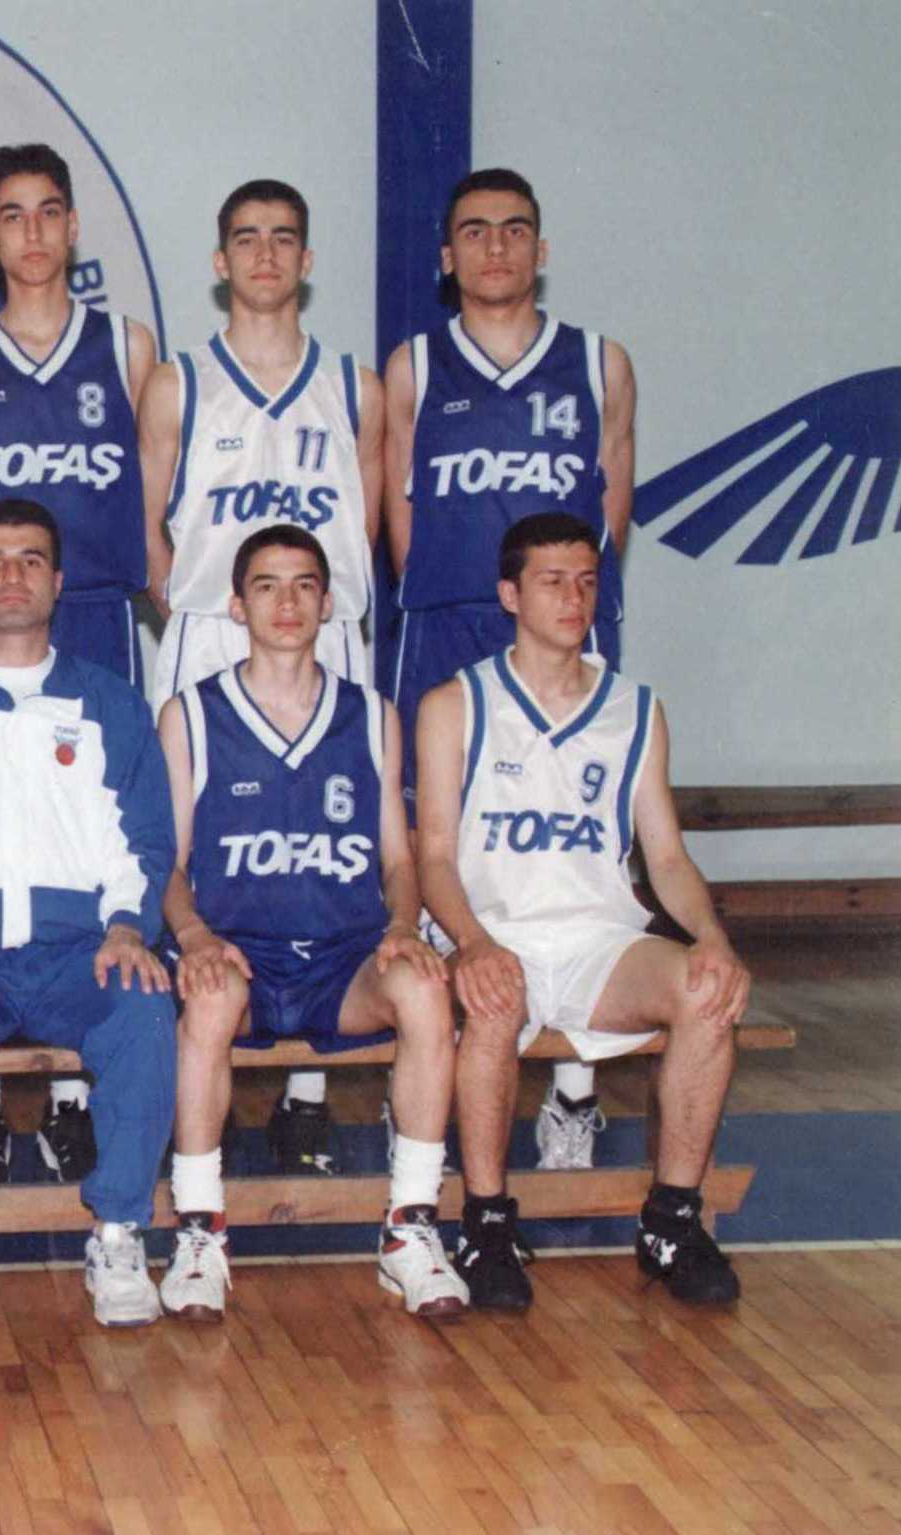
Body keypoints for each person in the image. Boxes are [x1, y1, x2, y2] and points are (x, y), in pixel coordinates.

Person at [416, 513, 748, 1311]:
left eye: (586, 582)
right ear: (509, 594)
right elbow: (432, 856)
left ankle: (671, 1220)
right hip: (494, 930)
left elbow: (664, 859)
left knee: (708, 991)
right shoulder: (454, 704)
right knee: (492, 1003)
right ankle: (486, 1223)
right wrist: (472, 942)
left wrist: (711, 937)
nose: (573, 598)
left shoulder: (634, 709)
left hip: (598, 940)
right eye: (552, 581)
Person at [385, 169, 639, 1164]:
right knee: (437, 838)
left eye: (513, 229)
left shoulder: (598, 364)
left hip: (557, 628)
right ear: (445, 256)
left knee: (575, 838)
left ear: (540, 247)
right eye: (474, 231)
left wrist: (562, 611)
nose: (494, 247)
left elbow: (610, 512)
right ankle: (434, 1071)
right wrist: (448, 594)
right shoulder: (412, 365)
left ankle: (572, 1092)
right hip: (447, 620)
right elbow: (398, 517)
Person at [156, 526, 465, 1321]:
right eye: (266, 585)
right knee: (208, 998)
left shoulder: (372, 714)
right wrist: (194, 937)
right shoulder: (190, 714)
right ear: (237, 605)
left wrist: (403, 925)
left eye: (303, 585)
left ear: (329, 604)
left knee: (425, 989)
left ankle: (409, 1227)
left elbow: (398, 859)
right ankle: (198, 1229)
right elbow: (167, 865)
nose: (286, 602)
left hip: (343, 956)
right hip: (239, 953)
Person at [139, 181, 386, 1169]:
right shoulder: (177, 382)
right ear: (219, 260)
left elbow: (366, 527)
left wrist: (319, 613)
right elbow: (147, 527)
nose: (266, 254)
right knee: (196, 848)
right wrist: (198, 611)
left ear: (306, 259)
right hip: (211, 624)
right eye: (246, 238)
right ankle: (195, 1064)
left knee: (330, 846)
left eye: (284, 238)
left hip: (322, 628)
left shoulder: (356, 386)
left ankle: (306, 1092)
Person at [0, 499, 177, 1331]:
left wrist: (128, 925)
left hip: (78, 951)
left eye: (29, 559)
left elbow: (144, 839)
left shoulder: (110, 702)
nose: (10, 575)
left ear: (57, 580)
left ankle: (118, 1231)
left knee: (144, 1006)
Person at [0, 143, 160, 1186]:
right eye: (11, 215)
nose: (31, 233)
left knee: (91, 826)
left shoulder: (125, 346)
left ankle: (77, 1098)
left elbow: (152, 498)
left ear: (72, 226)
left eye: (47, 212)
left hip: (95, 610)